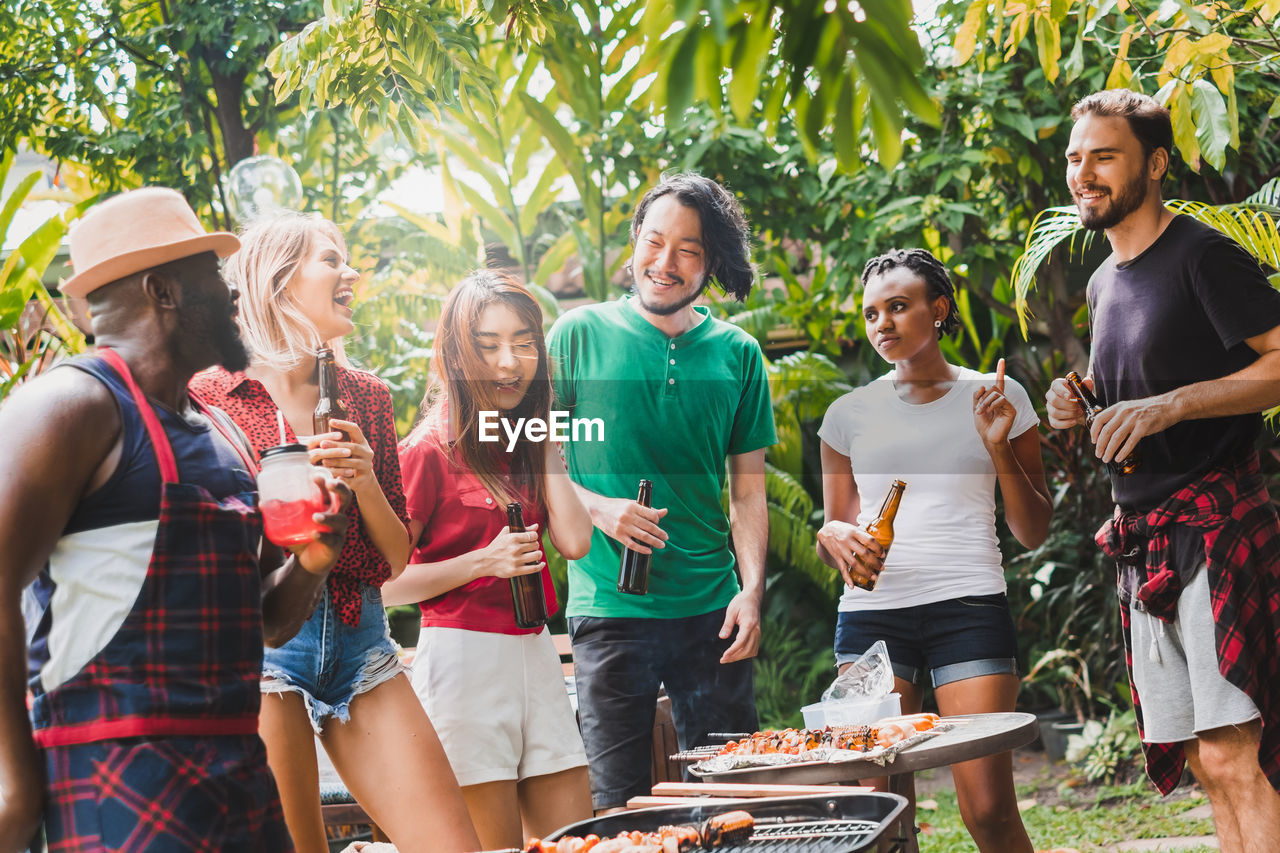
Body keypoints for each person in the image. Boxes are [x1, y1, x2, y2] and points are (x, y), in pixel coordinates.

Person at [0, 187, 352, 850]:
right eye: (213, 277)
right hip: (119, 785)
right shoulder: (68, 406)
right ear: (163, 291)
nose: (233, 294)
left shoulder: (214, 432)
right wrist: (15, 785)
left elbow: (266, 622)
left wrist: (313, 561)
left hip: (239, 782)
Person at [189, 212, 479, 853]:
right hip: (261, 653)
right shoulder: (210, 397)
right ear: (278, 280)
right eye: (330, 260)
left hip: (361, 642)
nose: (350, 273)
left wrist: (366, 478)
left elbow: (396, 557)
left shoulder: (365, 396)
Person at [1045, 88, 1280, 851]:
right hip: (1142, 540)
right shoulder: (1103, 281)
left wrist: (1173, 405)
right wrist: (1080, 400)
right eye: (1076, 158)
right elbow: (1137, 394)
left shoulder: (1203, 254)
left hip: (1217, 527)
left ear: (1155, 162)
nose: (1084, 173)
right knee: (1204, 763)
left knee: (1234, 751)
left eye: (1104, 156)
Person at [546, 172, 777, 812]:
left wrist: (751, 594)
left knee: (732, 798)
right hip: (610, 610)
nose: (664, 263)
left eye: (688, 250)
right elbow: (528, 453)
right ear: (635, 245)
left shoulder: (739, 354)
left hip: (714, 613)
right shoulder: (576, 336)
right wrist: (599, 508)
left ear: (712, 263)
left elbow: (747, 494)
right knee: (617, 805)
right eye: (654, 242)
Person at [815, 247, 1051, 852]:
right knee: (878, 813)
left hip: (967, 610)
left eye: (898, 307)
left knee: (990, 809)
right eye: (871, 314)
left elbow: (1034, 530)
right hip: (870, 618)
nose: (882, 325)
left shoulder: (998, 397)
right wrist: (832, 536)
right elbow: (836, 532)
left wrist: (998, 445)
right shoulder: (848, 414)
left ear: (939, 309)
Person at [382, 270, 593, 850]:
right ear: (457, 352)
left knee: (579, 842)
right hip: (463, 667)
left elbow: (575, 542)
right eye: (489, 344)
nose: (509, 362)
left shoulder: (525, 444)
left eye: (524, 343)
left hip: (538, 659)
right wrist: (482, 562)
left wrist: (547, 442)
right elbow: (381, 584)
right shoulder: (426, 451)